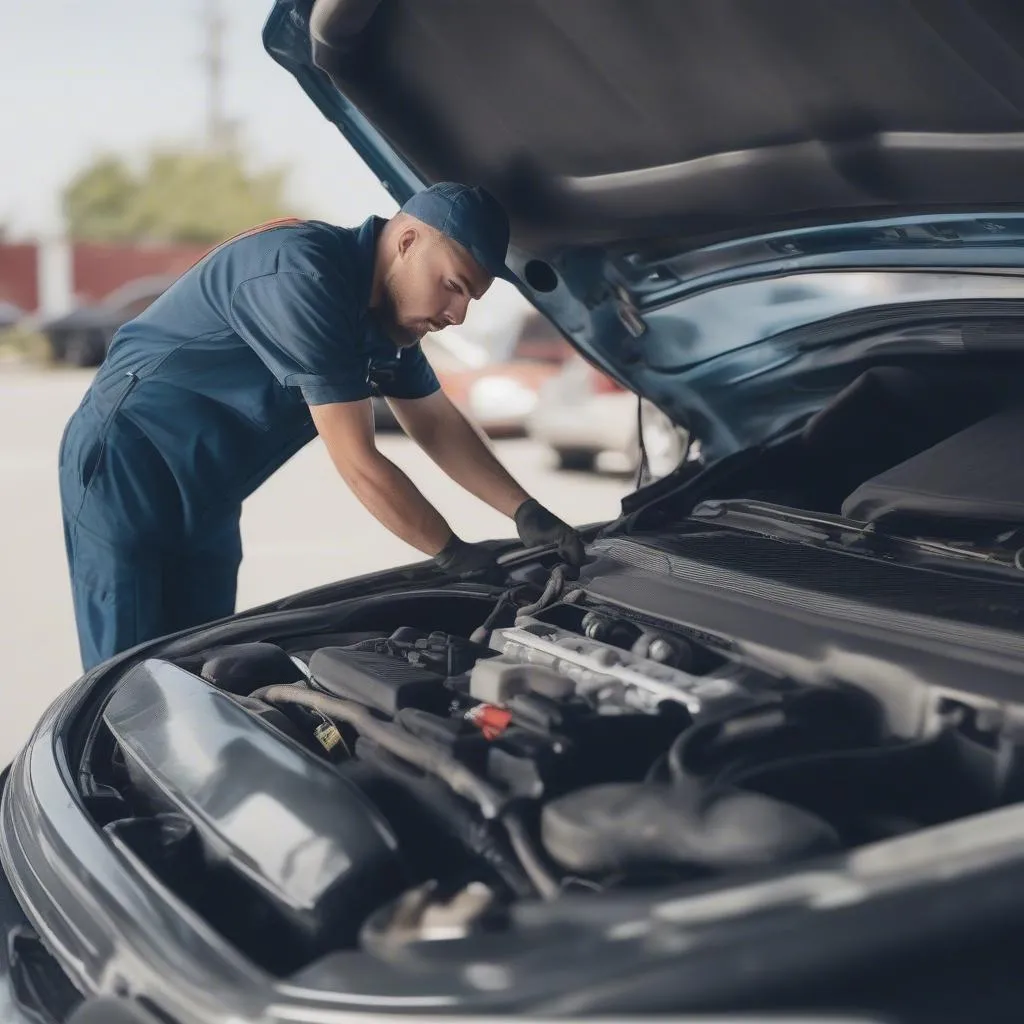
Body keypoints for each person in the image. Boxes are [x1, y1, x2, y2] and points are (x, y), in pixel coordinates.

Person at [59, 183, 584, 670]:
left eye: (471, 297)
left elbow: (436, 421)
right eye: (452, 286)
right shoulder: (303, 275)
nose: (459, 314)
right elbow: (358, 461)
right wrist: (452, 554)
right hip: (125, 465)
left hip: (211, 493)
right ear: (406, 241)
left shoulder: (386, 320)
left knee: (198, 661)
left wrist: (525, 510)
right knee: (125, 675)